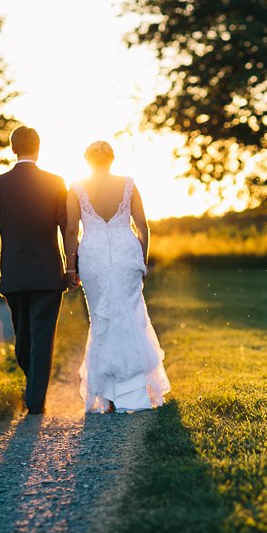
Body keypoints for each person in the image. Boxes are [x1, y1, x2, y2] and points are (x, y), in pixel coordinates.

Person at [64, 141, 170, 413]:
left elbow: (70, 232)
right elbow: (143, 226)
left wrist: (70, 267)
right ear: (112, 159)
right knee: (131, 317)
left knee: (102, 320)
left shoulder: (76, 188)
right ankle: (135, 392)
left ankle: (109, 397)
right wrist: (142, 259)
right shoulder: (128, 184)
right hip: (126, 254)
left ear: (87, 160)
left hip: (93, 257)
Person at [0, 125, 69, 415]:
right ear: (38, 148)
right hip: (46, 273)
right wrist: (70, 268)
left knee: (29, 339)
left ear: (13, 149)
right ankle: (34, 389)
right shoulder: (55, 182)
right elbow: (67, 228)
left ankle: (34, 401)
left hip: (15, 274)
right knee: (32, 341)